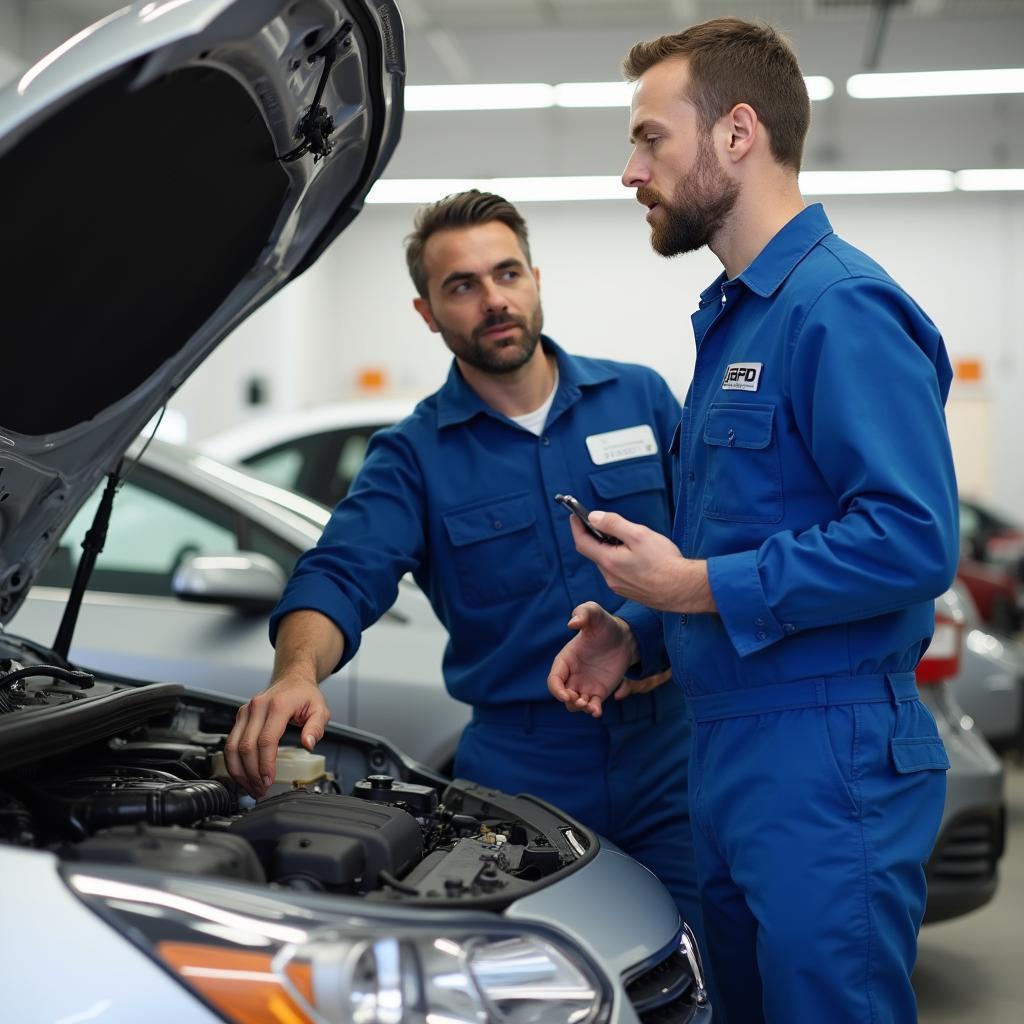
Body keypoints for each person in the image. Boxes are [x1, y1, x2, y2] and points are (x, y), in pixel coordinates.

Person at [547, 18, 958, 1024]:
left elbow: (912, 538)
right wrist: (639, 626)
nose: (629, 171)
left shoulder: (838, 307)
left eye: (650, 138)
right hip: (726, 749)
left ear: (737, 133)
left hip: (827, 758)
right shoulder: (737, 318)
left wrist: (687, 586)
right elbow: (745, 533)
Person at [224, 189, 699, 924]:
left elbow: (707, 543)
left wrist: (643, 630)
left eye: (507, 274)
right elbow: (341, 573)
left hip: (676, 749)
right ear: (427, 311)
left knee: (708, 969)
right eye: (462, 286)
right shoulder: (412, 457)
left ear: (536, 279)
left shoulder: (640, 400)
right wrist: (295, 673)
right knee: (546, 979)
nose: (493, 300)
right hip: (526, 773)